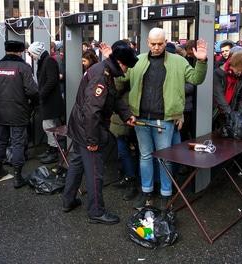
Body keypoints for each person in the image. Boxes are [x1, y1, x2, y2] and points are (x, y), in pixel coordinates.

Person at [120, 27, 208, 211]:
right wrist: (112, 61)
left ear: (166, 42)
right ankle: (147, 194)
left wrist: (202, 61)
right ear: (147, 43)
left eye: (160, 43)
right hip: (141, 118)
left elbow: (196, 79)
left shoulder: (178, 61)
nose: (157, 47)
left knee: (165, 159)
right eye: (153, 44)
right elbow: (121, 78)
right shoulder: (138, 60)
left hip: (165, 119)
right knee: (145, 156)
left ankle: (165, 195)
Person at [61, 40, 137, 225]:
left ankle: (68, 200)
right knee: (95, 171)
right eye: (128, 65)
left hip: (81, 127)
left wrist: (126, 115)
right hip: (88, 129)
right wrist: (92, 140)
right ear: (121, 62)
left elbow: (113, 97)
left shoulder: (104, 70)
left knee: (77, 163)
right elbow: (92, 111)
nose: (128, 70)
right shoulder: (101, 76)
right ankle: (96, 211)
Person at [0, 40, 39, 186]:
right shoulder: (23, 67)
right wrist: (35, 104)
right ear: (20, 51)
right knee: (17, 142)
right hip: (18, 111)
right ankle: (17, 177)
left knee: (1, 140)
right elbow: (32, 90)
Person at [28, 41, 65, 164]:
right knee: (49, 125)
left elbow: (51, 80)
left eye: (31, 54)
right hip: (49, 100)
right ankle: (52, 149)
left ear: (36, 52)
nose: (31, 57)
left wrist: (41, 94)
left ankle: (54, 150)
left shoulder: (48, 61)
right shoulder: (45, 60)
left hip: (50, 100)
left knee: (48, 126)